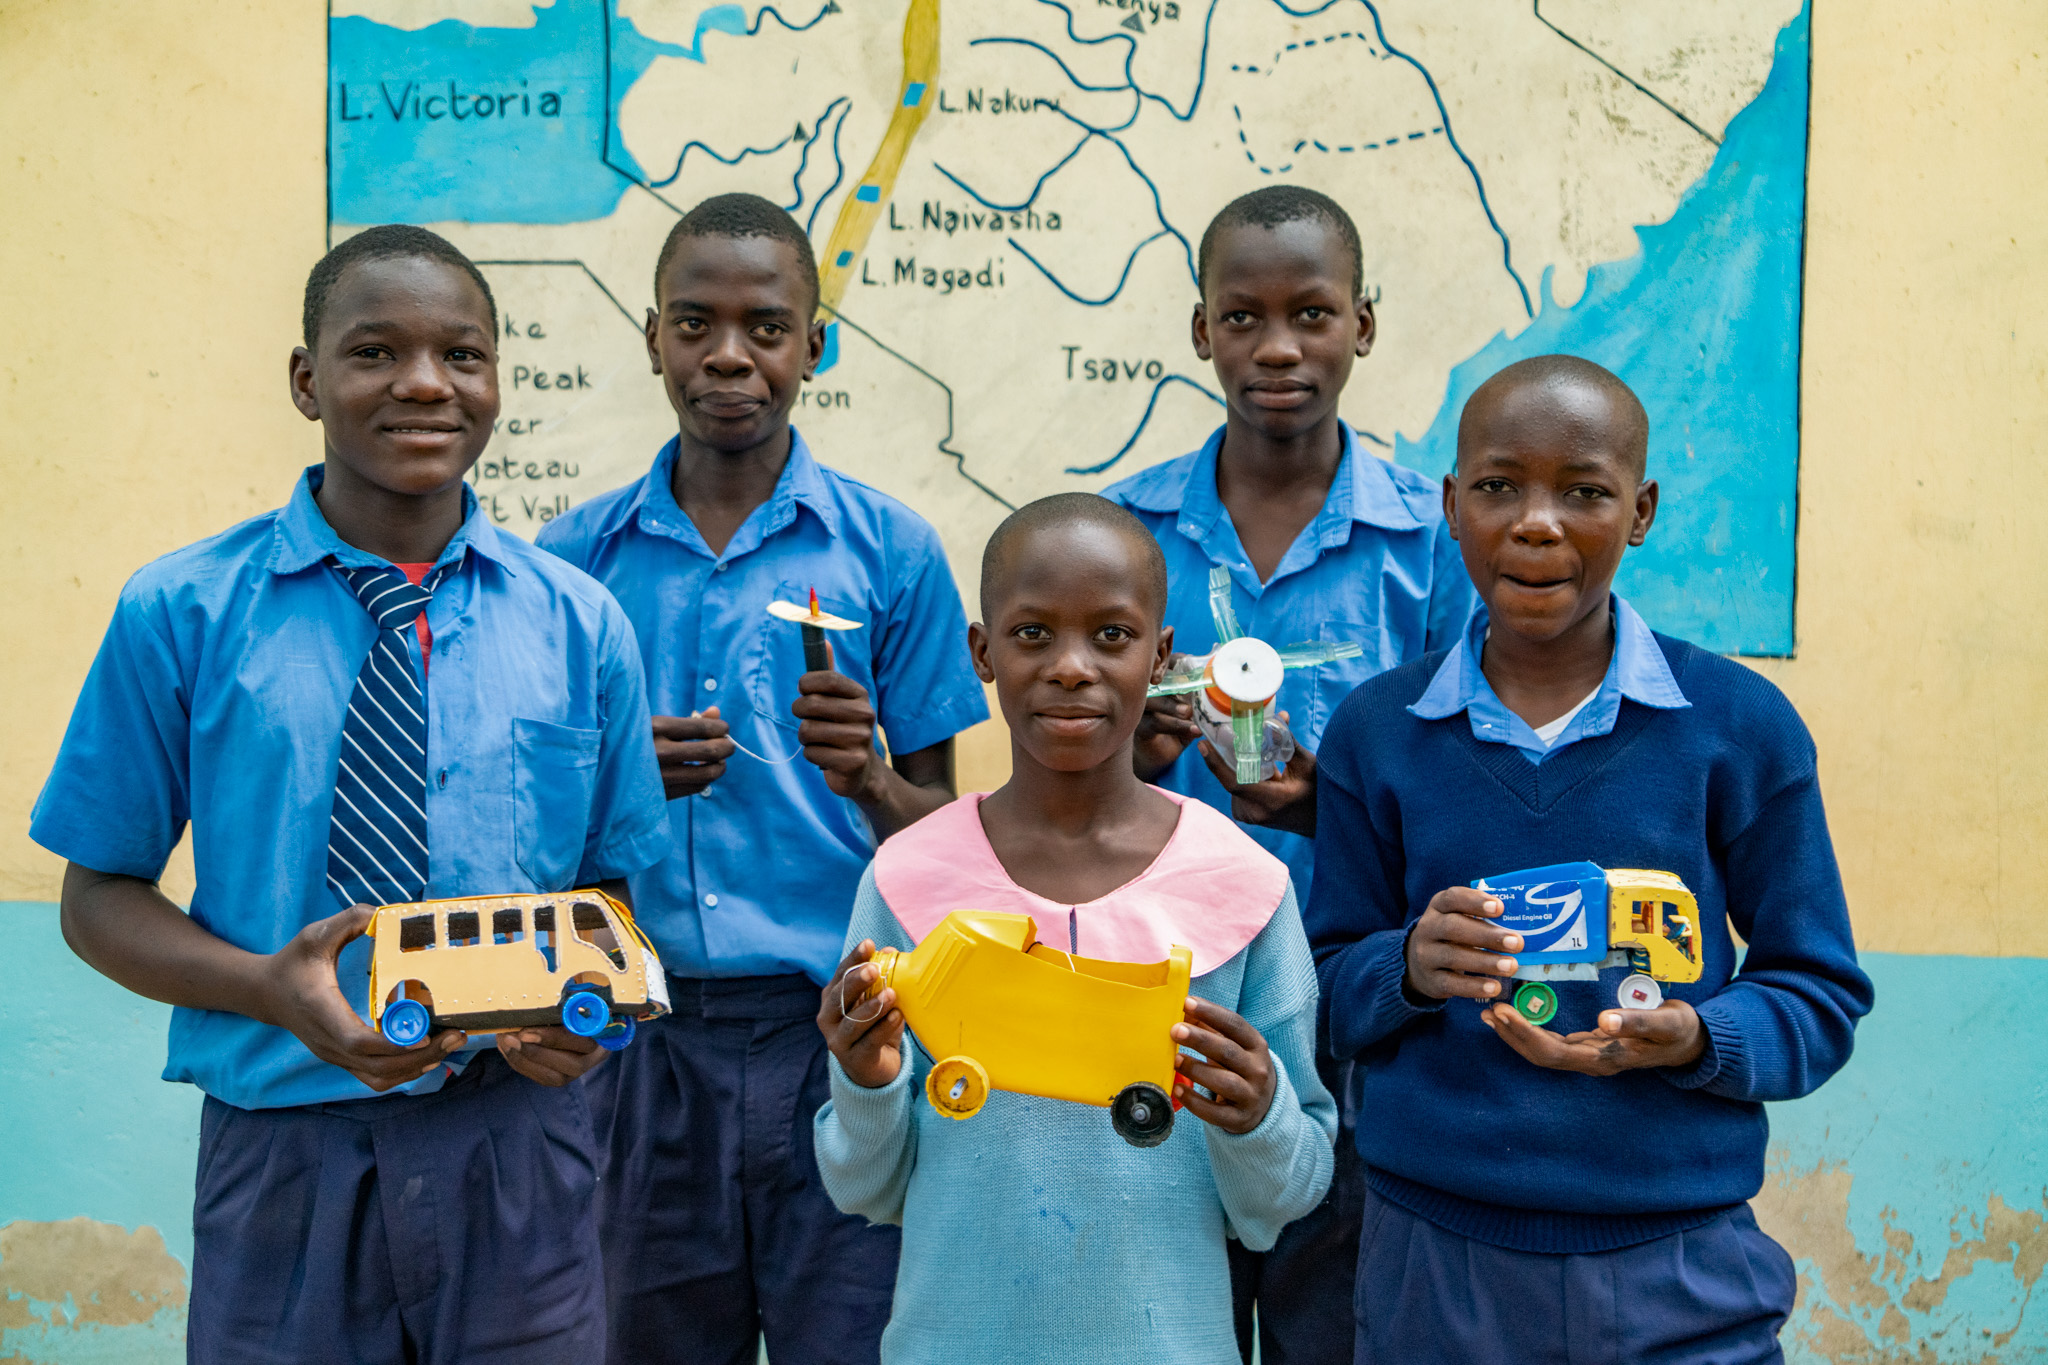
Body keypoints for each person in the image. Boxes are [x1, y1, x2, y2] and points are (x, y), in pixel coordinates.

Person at [29, 225, 672, 1363]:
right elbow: (97, 897)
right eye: (376, 351)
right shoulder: (182, 612)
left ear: (493, 383)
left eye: (461, 356)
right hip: (284, 1160)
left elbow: (609, 888)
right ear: (305, 380)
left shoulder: (579, 624)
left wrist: (585, 1022)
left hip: (519, 1154)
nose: (425, 384)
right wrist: (267, 989)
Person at [1305, 355, 1875, 1364]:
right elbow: (1323, 985)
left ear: (1639, 509)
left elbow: (1817, 991)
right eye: (1496, 486)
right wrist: (1405, 967)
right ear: (1448, 504)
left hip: (1674, 1262)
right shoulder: (1376, 733)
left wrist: (1698, 1034)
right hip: (1434, 1267)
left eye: (1583, 491)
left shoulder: (1737, 729)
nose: (1536, 522)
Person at [537, 192, 988, 1365]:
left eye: (765, 328)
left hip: (838, 1027)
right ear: (650, 339)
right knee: (641, 1338)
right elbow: (530, 834)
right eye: (694, 324)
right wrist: (618, 783)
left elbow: (942, 838)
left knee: (848, 1336)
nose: (727, 356)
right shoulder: (569, 564)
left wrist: (870, 778)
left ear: (814, 346)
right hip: (636, 1040)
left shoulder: (891, 553)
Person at [812, 493, 1336, 1365]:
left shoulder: (1242, 885)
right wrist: (867, 1084)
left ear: (1162, 655)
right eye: (1030, 635)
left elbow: (1285, 1196)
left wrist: (1258, 1115)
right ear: (981, 653)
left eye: (1112, 635)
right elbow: (865, 1188)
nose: (1069, 668)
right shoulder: (907, 881)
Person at [1101, 184, 1472, 1363]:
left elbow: (1473, 795)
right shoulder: (1120, 532)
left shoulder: (1433, 543)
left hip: (1358, 1017)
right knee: (1160, 1325)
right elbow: (1052, 767)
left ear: (1361, 325)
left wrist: (1333, 806)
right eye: (1242, 315)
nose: (1276, 348)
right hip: (1154, 1002)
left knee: (1337, 1327)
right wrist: (1133, 757)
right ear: (1198, 329)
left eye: (1310, 314)